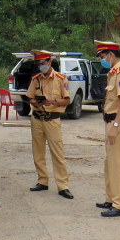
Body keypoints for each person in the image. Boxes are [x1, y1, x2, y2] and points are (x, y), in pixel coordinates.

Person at [26, 50, 74, 199]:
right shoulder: (36, 80)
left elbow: (67, 100)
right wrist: (36, 101)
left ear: (49, 62)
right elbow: (30, 98)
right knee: (38, 153)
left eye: (42, 63)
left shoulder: (60, 79)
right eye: (38, 64)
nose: (41, 66)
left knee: (57, 154)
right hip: (37, 119)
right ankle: (42, 181)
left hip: (52, 119)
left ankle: (63, 186)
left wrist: (53, 101)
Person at [94, 40, 120, 218]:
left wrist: (115, 126)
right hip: (110, 122)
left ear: (110, 54)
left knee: (118, 164)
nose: (102, 60)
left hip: (118, 123)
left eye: (103, 57)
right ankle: (111, 199)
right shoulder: (113, 73)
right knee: (110, 163)